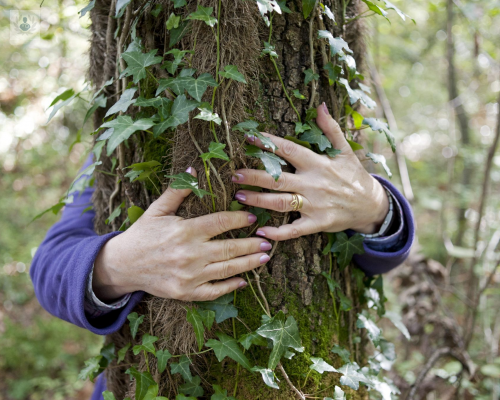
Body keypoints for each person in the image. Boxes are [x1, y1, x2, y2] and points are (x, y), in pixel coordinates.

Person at [30, 104, 415, 400]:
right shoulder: (119, 134)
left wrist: (375, 206)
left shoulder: (342, 121)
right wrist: (119, 264)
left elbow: (378, 258)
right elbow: (49, 265)